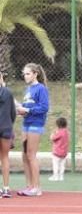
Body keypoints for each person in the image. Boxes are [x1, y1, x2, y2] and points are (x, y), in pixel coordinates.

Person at [16, 63, 50, 197]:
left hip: (36, 124)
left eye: (28, 73)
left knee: (31, 155)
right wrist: (20, 110)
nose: (25, 76)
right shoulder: (28, 89)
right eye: (24, 74)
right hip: (26, 123)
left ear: (36, 74)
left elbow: (44, 108)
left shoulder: (41, 89)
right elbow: (26, 107)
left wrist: (28, 110)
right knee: (24, 155)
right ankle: (29, 186)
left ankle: (37, 187)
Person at [0, 71, 16, 197]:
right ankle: (6, 188)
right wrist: (10, 125)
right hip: (6, 127)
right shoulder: (8, 92)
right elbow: (13, 112)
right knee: (5, 157)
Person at [49, 117, 70, 182]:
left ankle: (55, 176)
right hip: (64, 152)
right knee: (62, 165)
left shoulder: (59, 132)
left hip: (57, 152)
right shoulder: (66, 132)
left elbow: (52, 138)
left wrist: (53, 133)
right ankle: (61, 176)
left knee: (55, 164)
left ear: (58, 125)